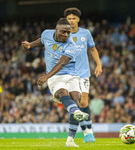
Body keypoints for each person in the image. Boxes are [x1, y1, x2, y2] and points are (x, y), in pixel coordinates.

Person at [22, 18, 88, 147]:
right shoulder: (47, 33)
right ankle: (76, 111)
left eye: (68, 32)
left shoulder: (71, 45)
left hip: (71, 74)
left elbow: (61, 63)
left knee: (76, 98)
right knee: (62, 93)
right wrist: (30, 44)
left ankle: (70, 140)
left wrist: (46, 76)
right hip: (55, 76)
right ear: (56, 30)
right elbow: (42, 41)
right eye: (63, 32)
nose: (66, 35)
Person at [64, 7, 102, 142]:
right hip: (69, 74)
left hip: (84, 72)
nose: (71, 21)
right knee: (76, 104)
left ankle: (89, 132)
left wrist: (99, 64)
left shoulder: (85, 33)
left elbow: (93, 49)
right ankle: (88, 133)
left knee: (84, 103)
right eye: (69, 19)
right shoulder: (63, 34)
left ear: (78, 19)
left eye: (74, 18)